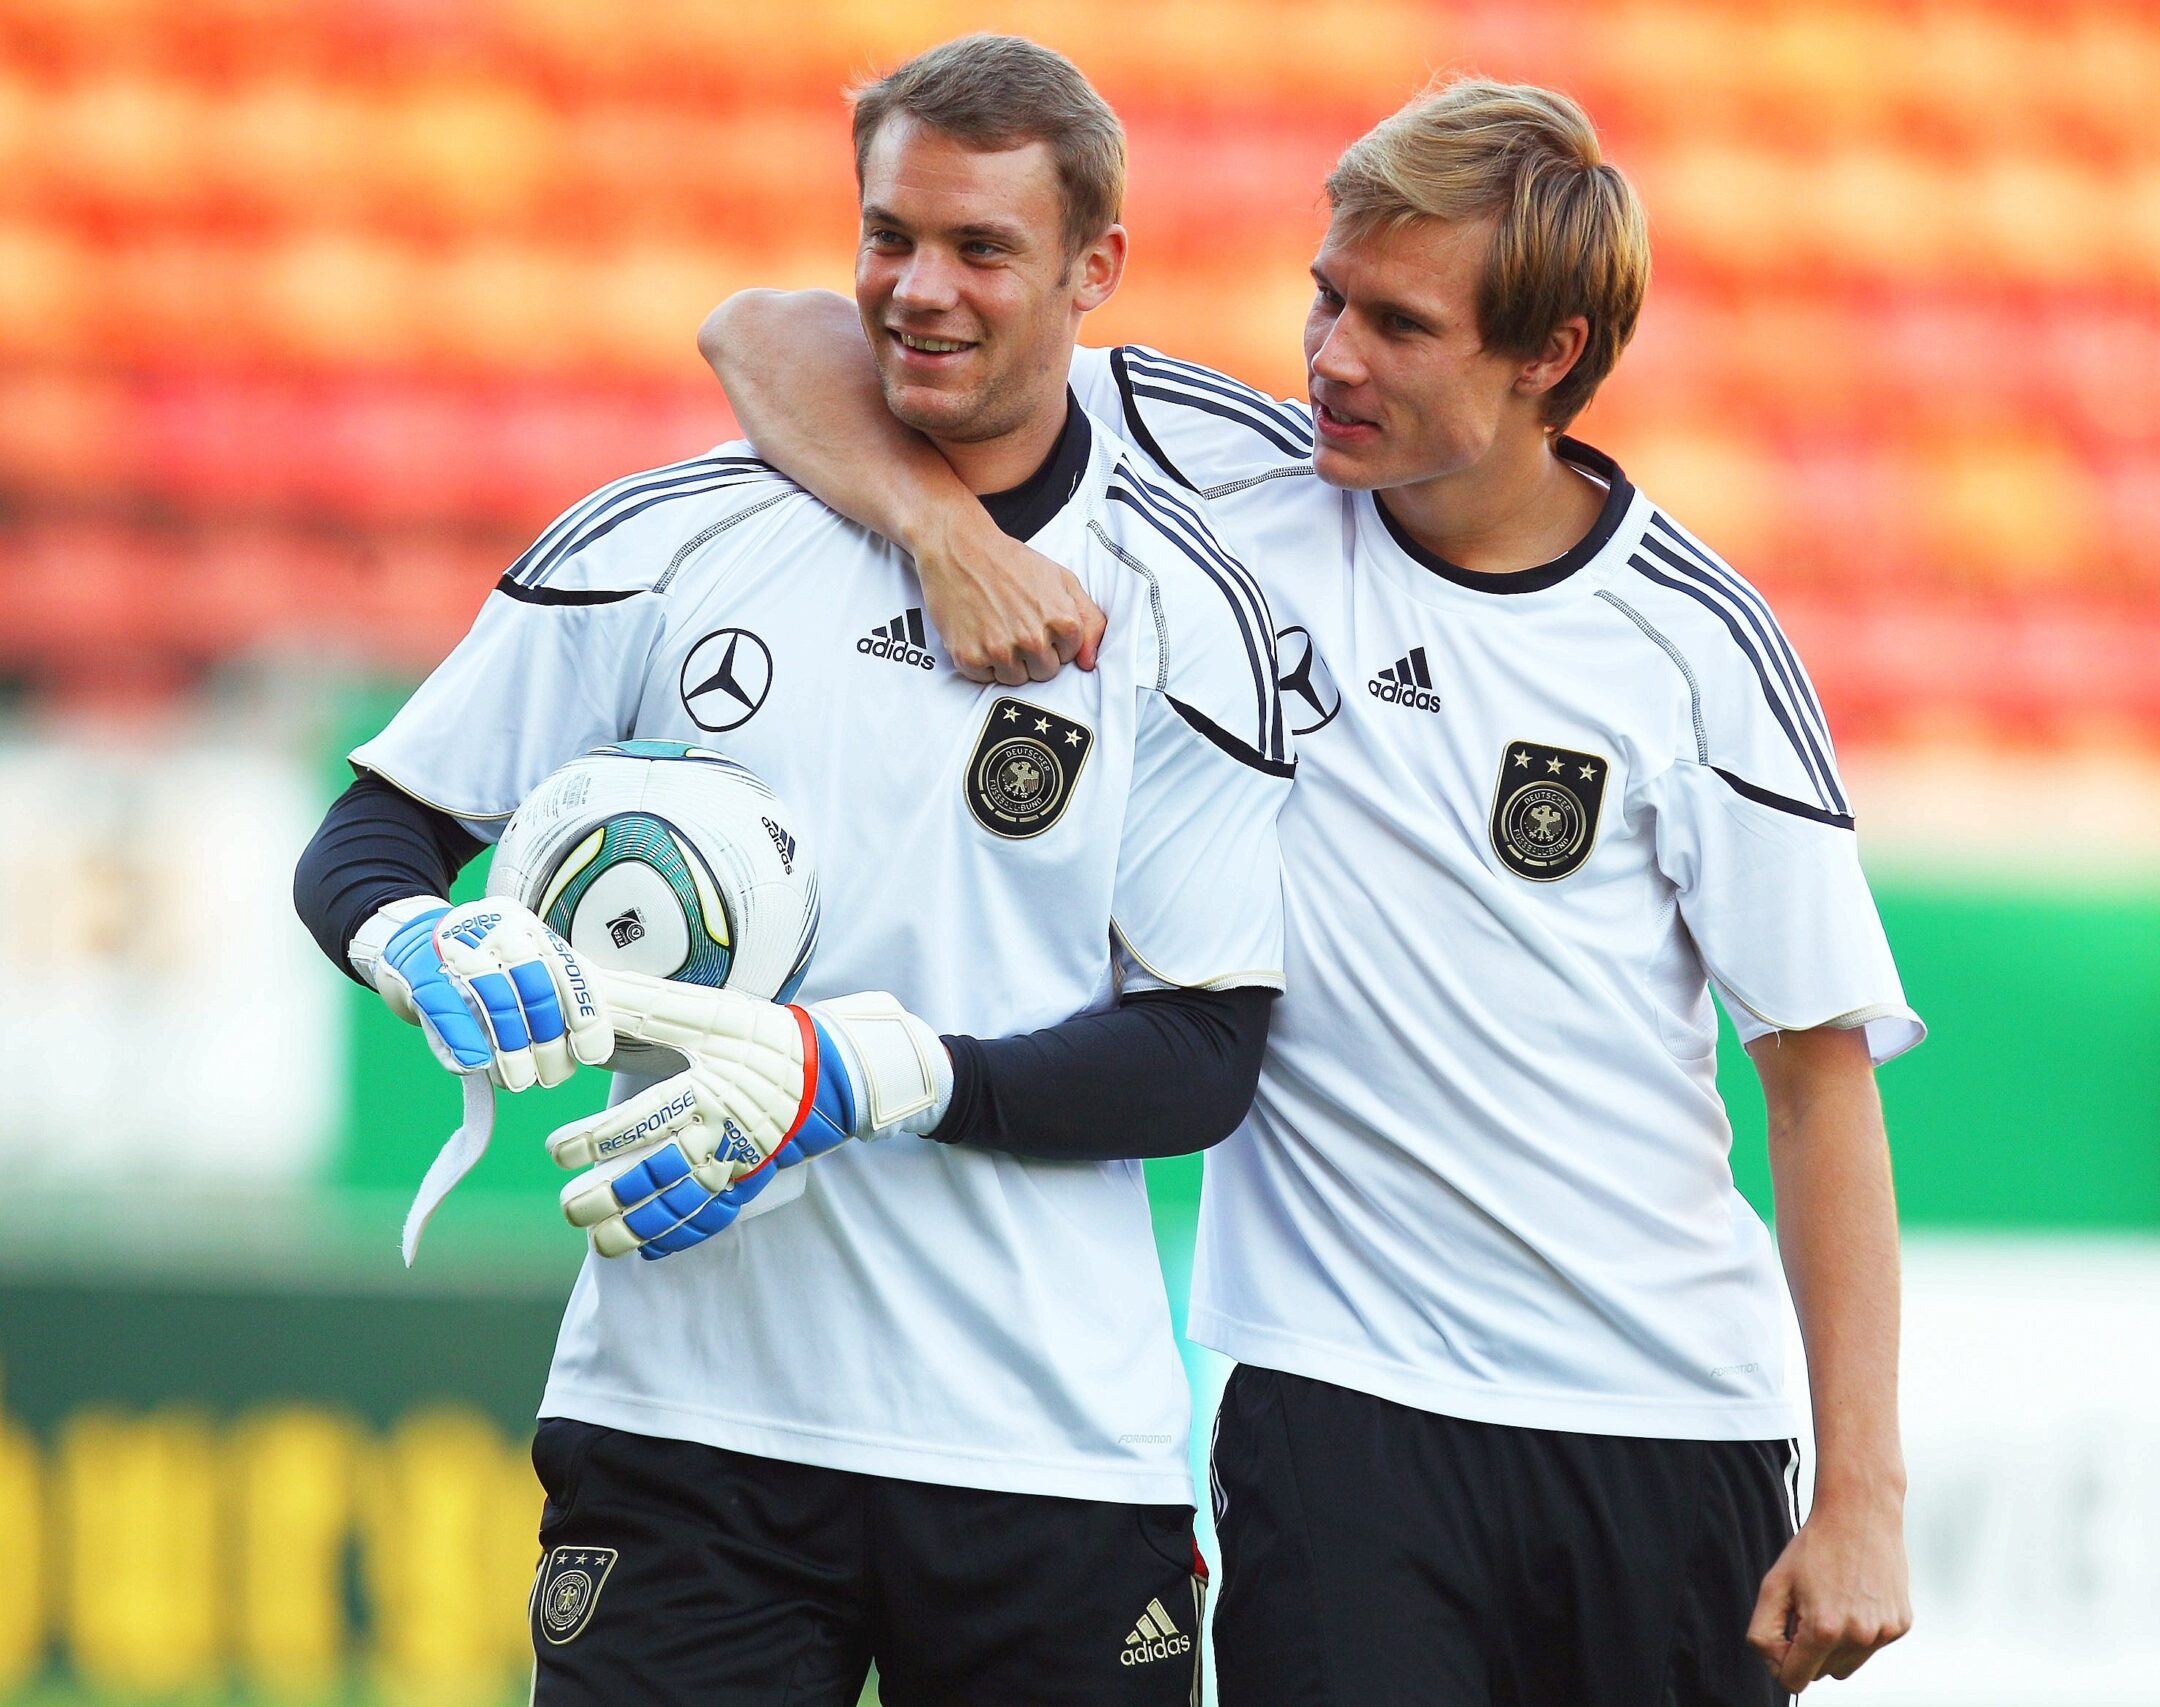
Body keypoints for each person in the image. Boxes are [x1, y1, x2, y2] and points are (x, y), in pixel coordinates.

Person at [703, 72, 1924, 1704]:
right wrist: (942, 531)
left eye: (1401, 327)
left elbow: (1819, 1082)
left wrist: (1861, 1496)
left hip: (1657, 1424)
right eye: (1326, 297)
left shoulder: (1691, 644)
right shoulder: (1224, 495)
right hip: (1334, 1409)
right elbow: (766, 332)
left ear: (1547, 356)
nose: (1334, 357)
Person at [292, 34, 1292, 1704]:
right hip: (685, 1437)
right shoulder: (664, 539)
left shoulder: (1181, 613)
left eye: (984, 248)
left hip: (1042, 1451)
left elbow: (1203, 1055)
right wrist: (420, 946)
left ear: (1095, 271)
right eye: (889, 237)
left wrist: (864, 1078)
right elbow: (374, 834)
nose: (922, 289)